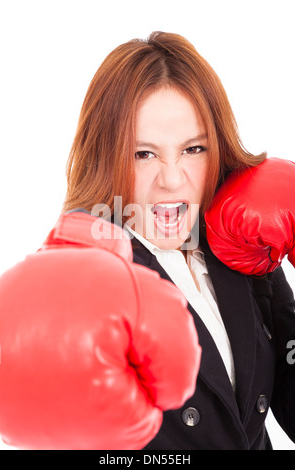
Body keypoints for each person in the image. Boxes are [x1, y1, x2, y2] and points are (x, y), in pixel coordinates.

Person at [62, 31, 295, 450]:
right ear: (106, 158)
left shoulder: (241, 244)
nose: (171, 179)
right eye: (143, 154)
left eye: (192, 149)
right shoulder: (88, 283)